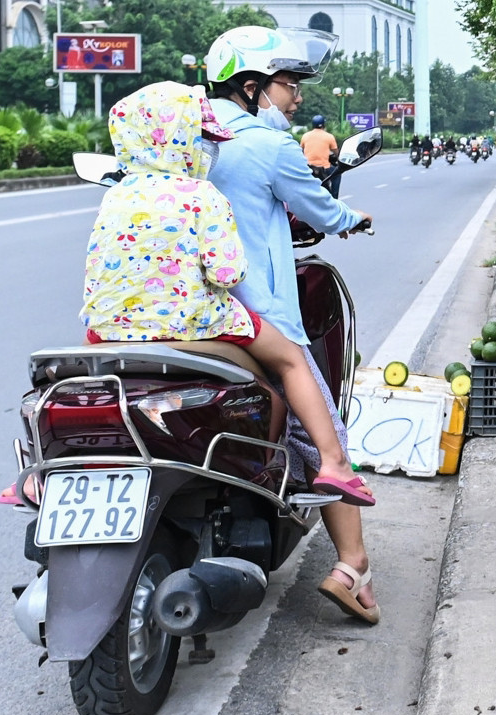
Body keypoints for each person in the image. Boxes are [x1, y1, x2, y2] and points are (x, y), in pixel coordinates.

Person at [77, 80, 370, 512]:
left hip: (109, 328)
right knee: (289, 359)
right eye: (202, 141)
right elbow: (228, 271)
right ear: (182, 144)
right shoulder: (203, 194)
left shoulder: (116, 195)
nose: (209, 150)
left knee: (78, 383)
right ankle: (334, 463)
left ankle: (39, 475)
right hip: (196, 319)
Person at [204, 25, 379, 623]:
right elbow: (318, 209)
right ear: (252, 88)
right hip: (255, 315)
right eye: (287, 85)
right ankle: (352, 567)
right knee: (319, 429)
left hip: (175, 318)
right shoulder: (268, 147)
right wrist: (353, 218)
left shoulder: (186, 146)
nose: (296, 97)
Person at [300, 114, 340, 199]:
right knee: (337, 174)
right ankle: (335, 198)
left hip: (308, 168)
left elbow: (301, 151)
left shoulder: (305, 136)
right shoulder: (329, 136)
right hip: (324, 168)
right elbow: (337, 153)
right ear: (324, 125)